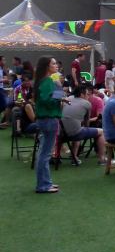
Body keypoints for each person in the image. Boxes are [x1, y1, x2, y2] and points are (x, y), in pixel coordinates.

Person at [32, 57, 66, 193]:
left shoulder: (43, 81)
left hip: (45, 119)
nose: (56, 65)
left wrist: (59, 95)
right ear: (47, 66)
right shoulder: (47, 81)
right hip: (48, 119)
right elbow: (48, 100)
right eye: (53, 63)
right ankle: (43, 185)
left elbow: (46, 99)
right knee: (45, 154)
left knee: (44, 153)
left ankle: (46, 182)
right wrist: (59, 92)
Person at [61, 85, 107, 166]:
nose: (88, 96)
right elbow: (86, 122)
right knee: (101, 132)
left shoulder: (69, 99)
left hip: (61, 134)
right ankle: (102, 159)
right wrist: (86, 128)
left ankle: (74, 157)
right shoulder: (87, 103)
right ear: (82, 94)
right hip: (74, 133)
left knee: (77, 128)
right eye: (87, 94)